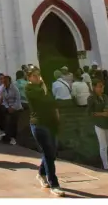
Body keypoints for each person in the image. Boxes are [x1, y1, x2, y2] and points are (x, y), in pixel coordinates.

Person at [25, 66, 64, 197]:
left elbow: (52, 102)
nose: (38, 77)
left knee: (52, 153)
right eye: (34, 75)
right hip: (39, 124)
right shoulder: (29, 88)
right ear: (29, 77)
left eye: (38, 75)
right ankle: (54, 184)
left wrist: (57, 117)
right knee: (48, 153)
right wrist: (43, 87)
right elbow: (40, 99)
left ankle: (41, 173)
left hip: (51, 123)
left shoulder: (44, 87)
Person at [87, 78, 108, 171]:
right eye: (99, 87)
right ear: (94, 87)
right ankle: (106, 167)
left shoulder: (105, 97)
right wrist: (101, 114)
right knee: (103, 146)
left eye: (102, 86)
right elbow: (89, 113)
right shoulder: (91, 98)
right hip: (99, 124)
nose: (101, 88)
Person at [0, 75, 23, 145]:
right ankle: (4, 133)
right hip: (8, 106)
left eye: (6, 81)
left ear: (9, 81)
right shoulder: (3, 89)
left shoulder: (14, 88)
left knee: (13, 120)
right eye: (3, 81)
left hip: (16, 106)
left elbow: (18, 99)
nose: (4, 82)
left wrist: (13, 107)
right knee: (2, 114)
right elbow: (4, 100)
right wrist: (7, 107)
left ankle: (13, 138)